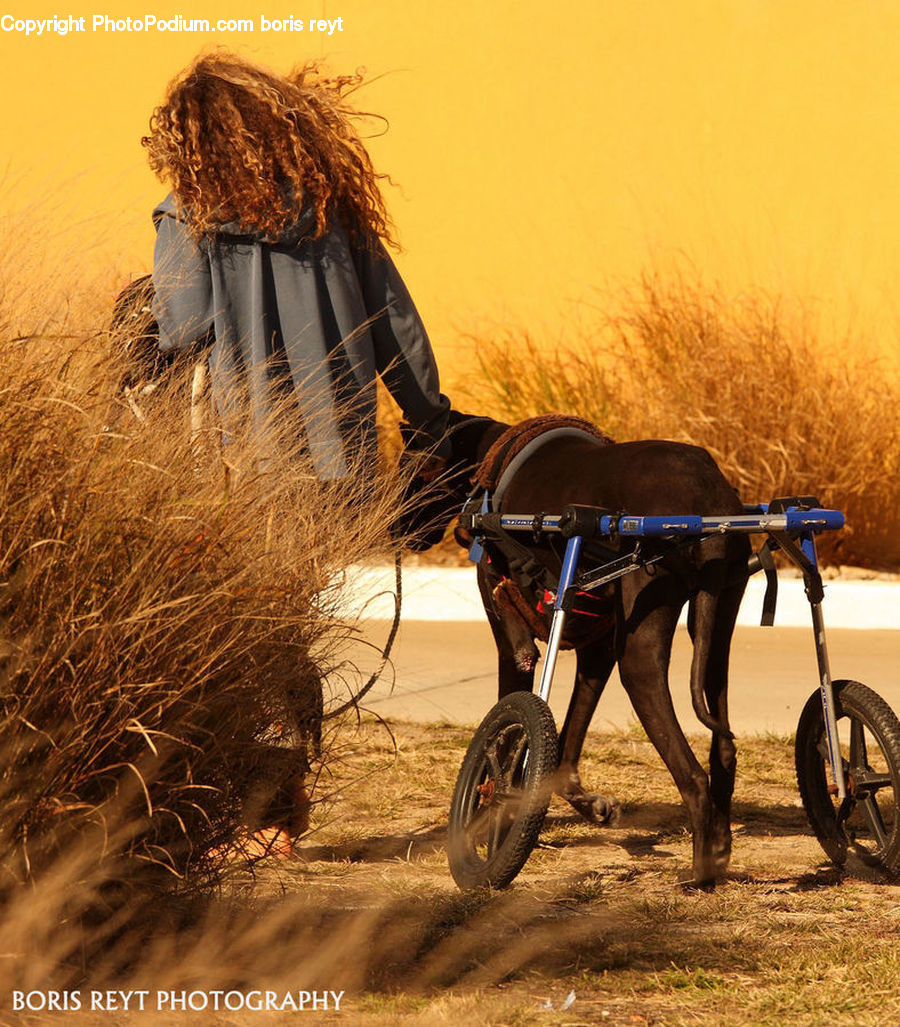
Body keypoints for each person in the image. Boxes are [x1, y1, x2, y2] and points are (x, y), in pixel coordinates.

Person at [142, 51, 451, 480]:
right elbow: (397, 327)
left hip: (246, 463)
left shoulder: (186, 217)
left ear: (191, 142)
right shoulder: (334, 210)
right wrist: (429, 422)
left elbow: (183, 331)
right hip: (346, 453)